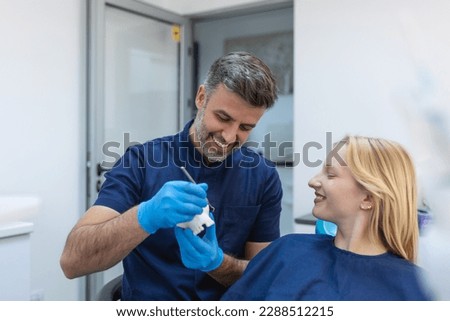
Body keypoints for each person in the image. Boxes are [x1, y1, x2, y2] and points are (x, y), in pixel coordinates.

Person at [60, 52, 282, 300]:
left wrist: (217, 263)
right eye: (223, 118)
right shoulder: (141, 162)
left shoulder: (263, 176)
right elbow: (72, 262)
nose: (229, 137)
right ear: (201, 97)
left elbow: (265, 276)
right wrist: (145, 216)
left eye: (245, 128)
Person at [220, 135, 433, 300]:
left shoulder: (418, 289)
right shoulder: (286, 251)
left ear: (368, 198)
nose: (313, 181)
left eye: (330, 175)